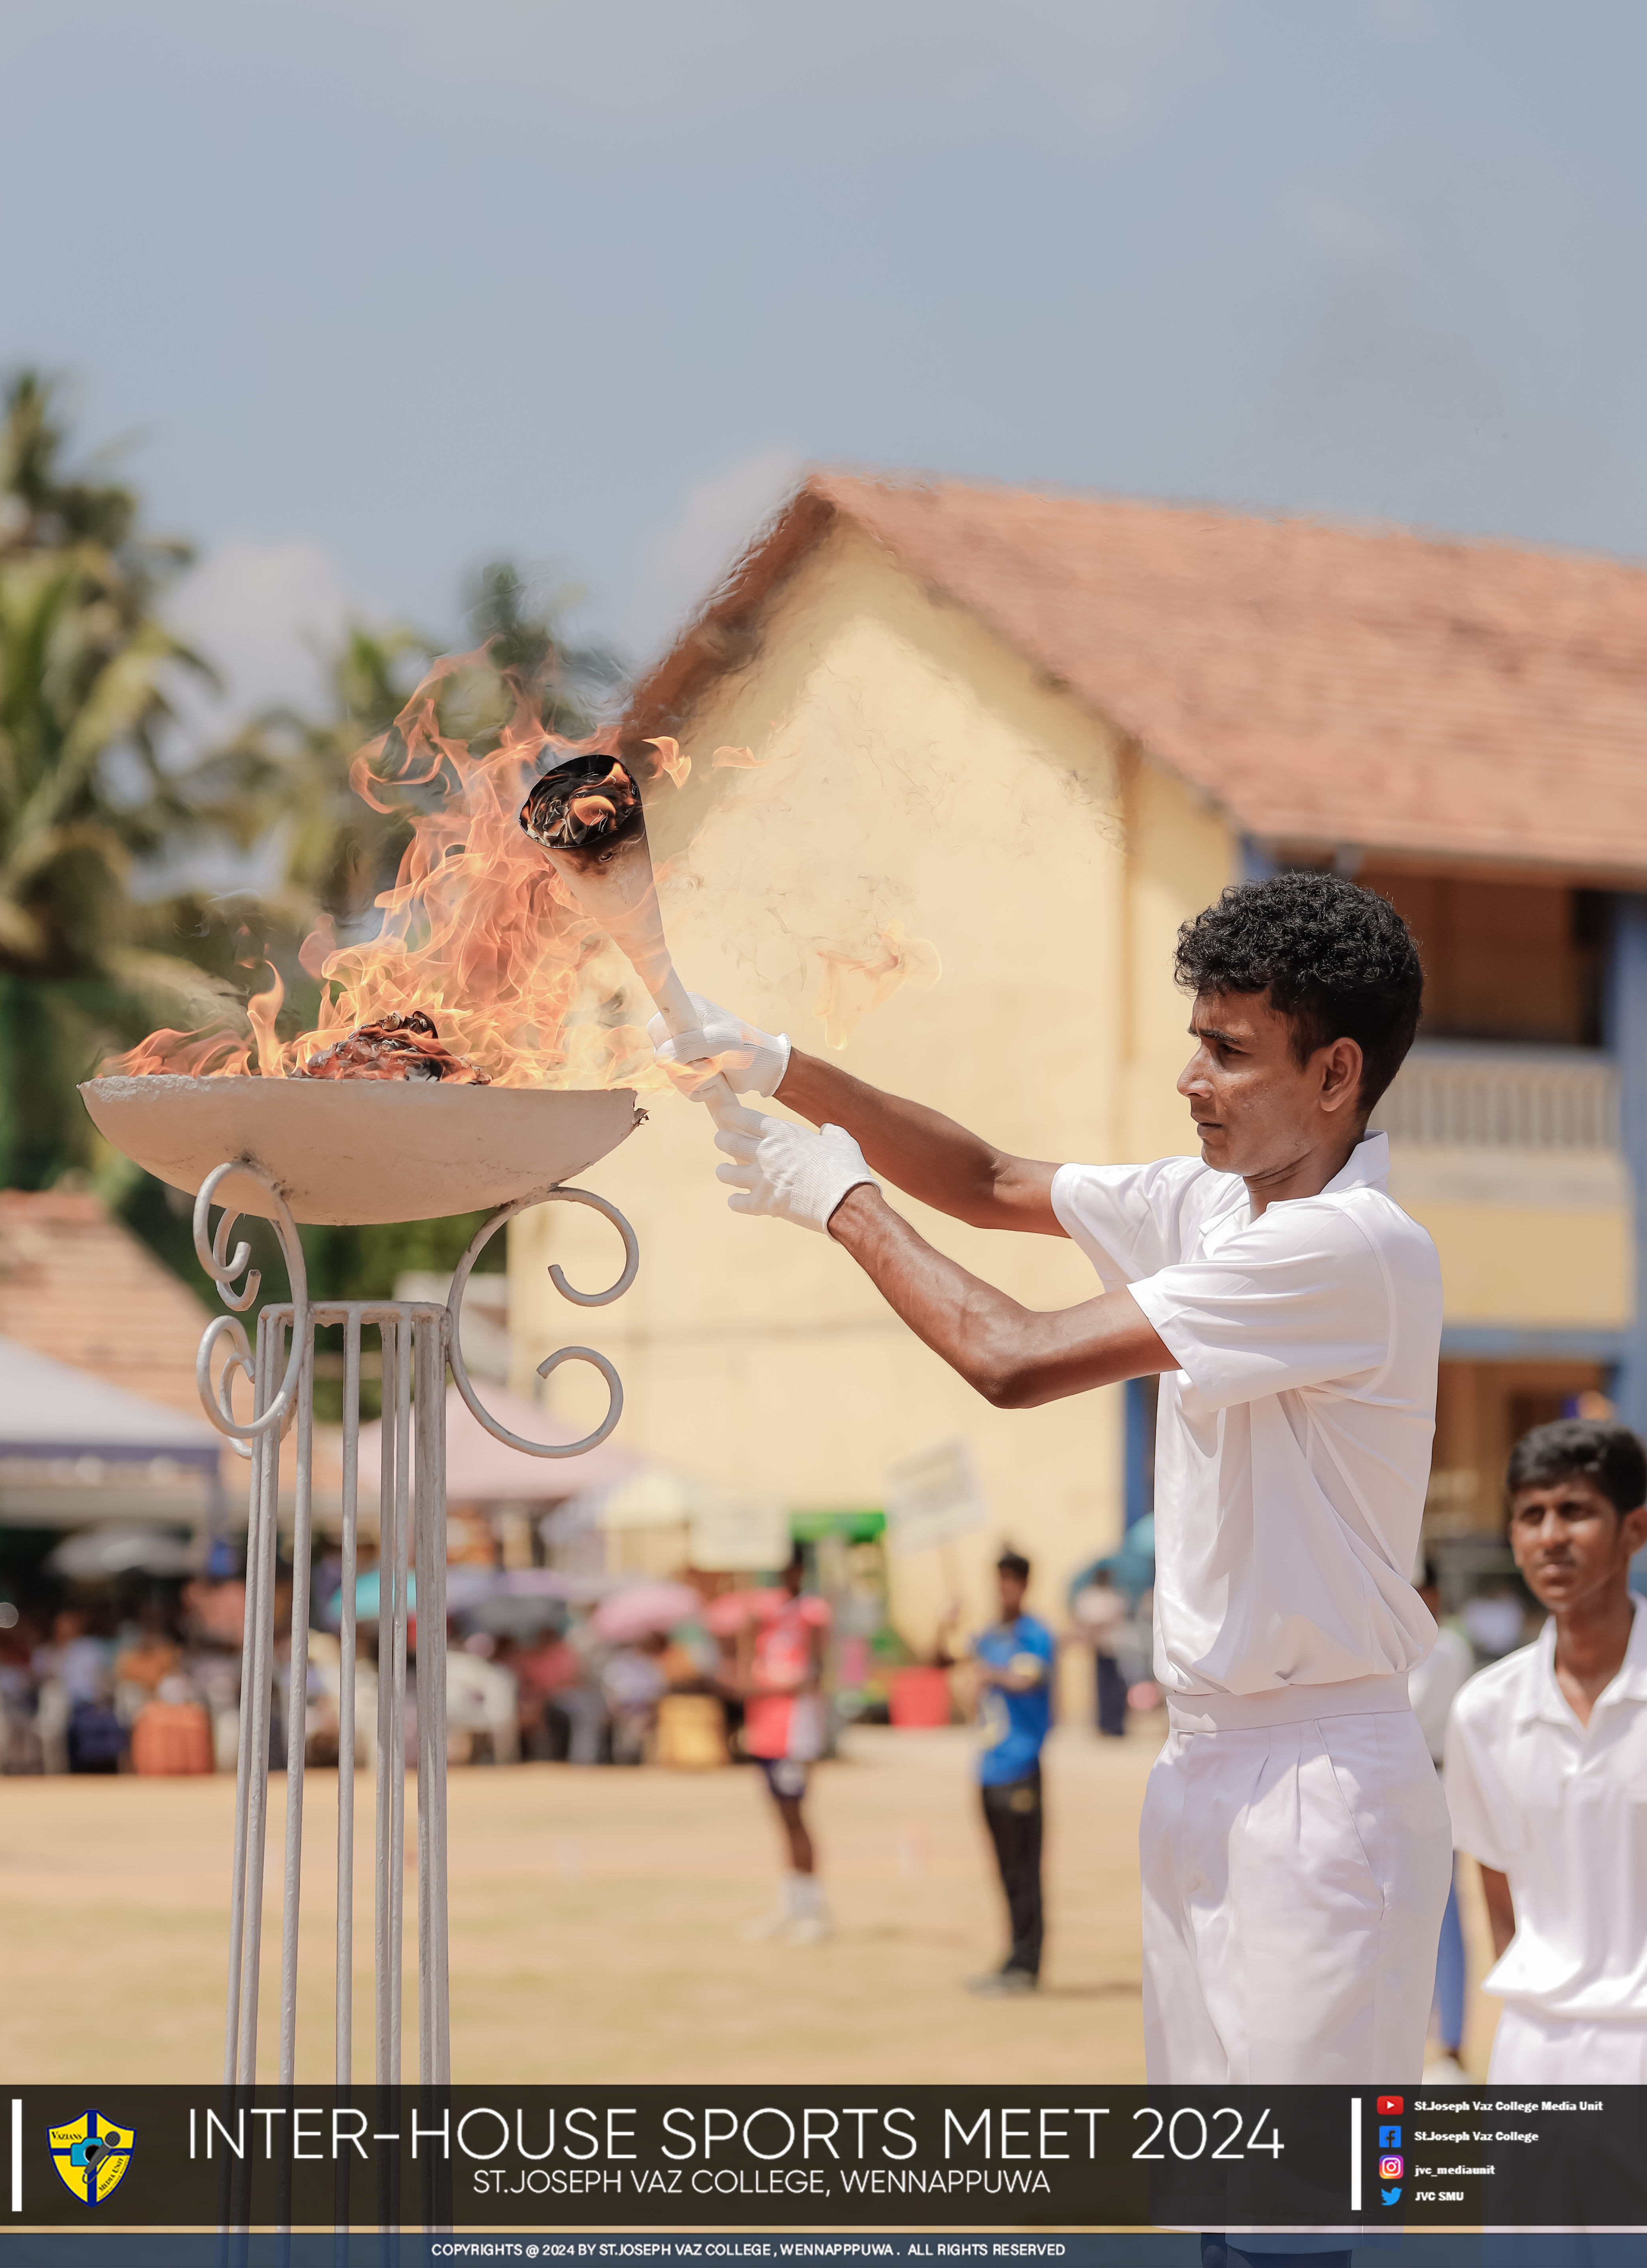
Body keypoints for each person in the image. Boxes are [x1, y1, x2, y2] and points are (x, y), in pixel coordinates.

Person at [656, 871, 1450, 2083]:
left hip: (1318, 1778)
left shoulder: (1349, 1247)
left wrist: (839, 1201)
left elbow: (1011, 1357)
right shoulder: (1208, 1204)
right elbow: (983, 1179)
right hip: (1199, 1760)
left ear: (1333, 1074)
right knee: (1211, 2194)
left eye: (1228, 1053)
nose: (1190, 1079)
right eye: (1196, 1042)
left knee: (1297, 2219)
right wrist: (775, 1064)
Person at [1444, 1417, 1647, 2083]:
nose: (1551, 1536)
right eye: (1532, 1515)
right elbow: (1498, 1898)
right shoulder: (1484, 1712)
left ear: (1634, 1531)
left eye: (1576, 1512)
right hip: (1534, 2057)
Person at [950, 1551, 1056, 1995]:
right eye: (999, 1581)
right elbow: (941, 1656)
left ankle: (1028, 1963)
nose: (1004, 1589)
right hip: (989, 1767)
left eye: (1011, 1581)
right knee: (1005, 1871)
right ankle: (1013, 1955)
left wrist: (988, 1673)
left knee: (1025, 1870)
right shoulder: (989, 1637)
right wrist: (947, 1622)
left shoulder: (1034, 1635)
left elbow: (1027, 1678)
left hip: (1021, 1765)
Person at [734, 1543, 831, 1945]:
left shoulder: (811, 1614)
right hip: (766, 1728)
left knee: (797, 1816)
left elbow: (812, 1671)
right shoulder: (763, 1613)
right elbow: (745, 1674)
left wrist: (775, 1683)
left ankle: (812, 1907)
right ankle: (791, 1903)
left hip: (796, 1730)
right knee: (781, 1818)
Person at [1408, 1559, 1475, 2076]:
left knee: (1443, 1915)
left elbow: (1411, 1709)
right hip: (1394, 1785)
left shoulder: (1443, 1647)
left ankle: (1451, 2041)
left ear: (1430, 1593)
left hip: (1431, 1781)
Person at [1072, 1565, 1130, 1737]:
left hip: (1116, 1648)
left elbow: (1113, 1619)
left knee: (1117, 1688)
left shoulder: (1115, 1597)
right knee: (1103, 1688)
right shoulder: (1092, 1597)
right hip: (1100, 1648)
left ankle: (1117, 1725)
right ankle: (1105, 1725)